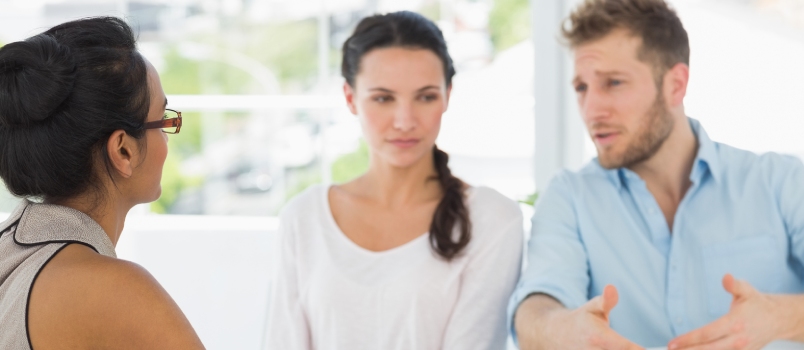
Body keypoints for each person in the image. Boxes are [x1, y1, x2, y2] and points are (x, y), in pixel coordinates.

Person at [508, 0, 804, 348]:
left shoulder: (779, 182)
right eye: (581, 88)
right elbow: (537, 305)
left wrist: (782, 317)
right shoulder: (570, 197)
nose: (592, 110)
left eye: (614, 83)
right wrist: (560, 329)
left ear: (675, 85)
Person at [265, 11, 523, 350]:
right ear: (349, 98)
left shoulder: (492, 219)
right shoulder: (304, 217)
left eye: (426, 96)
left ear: (447, 95)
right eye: (383, 98)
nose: (405, 121)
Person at [0, 17, 204, 349]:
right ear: (123, 150)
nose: (167, 140)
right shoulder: (115, 290)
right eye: (163, 120)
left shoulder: (10, 251)